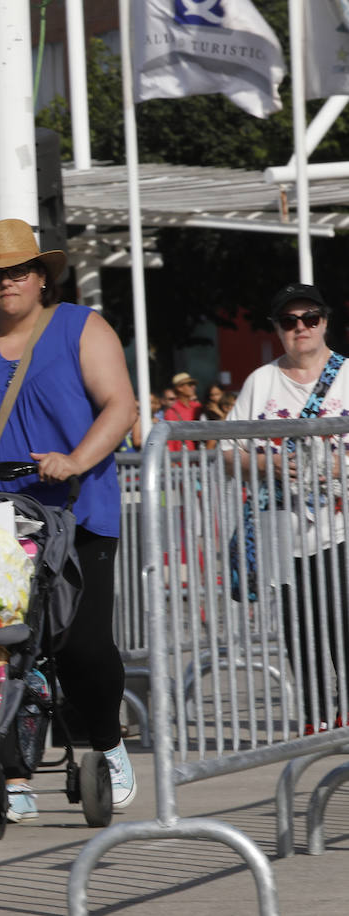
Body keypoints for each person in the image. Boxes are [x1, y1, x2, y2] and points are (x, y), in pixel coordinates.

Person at [0, 218, 139, 822]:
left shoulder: (80, 329)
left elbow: (121, 405)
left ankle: (106, 744)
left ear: (41, 277)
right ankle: (8, 770)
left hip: (77, 512)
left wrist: (75, 459)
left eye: (17, 271)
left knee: (83, 646)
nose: (5, 283)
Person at [224, 282, 349, 733]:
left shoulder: (348, 375)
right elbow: (227, 449)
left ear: (325, 323)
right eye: (290, 321)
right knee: (300, 628)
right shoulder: (262, 381)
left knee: (343, 619)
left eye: (310, 319)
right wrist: (268, 464)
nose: (301, 329)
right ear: (277, 329)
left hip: (341, 525)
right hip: (280, 527)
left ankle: (347, 710)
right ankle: (317, 716)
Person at [163, 371, 204, 450]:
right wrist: (172, 461)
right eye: (190, 385)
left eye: (194, 385)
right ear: (179, 388)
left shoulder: (198, 407)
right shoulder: (171, 412)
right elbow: (169, 441)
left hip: (201, 456)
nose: (193, 387)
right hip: (181, 458)